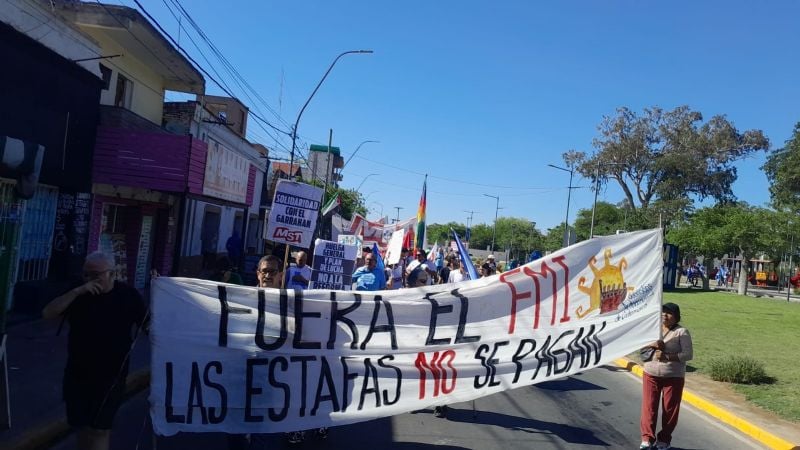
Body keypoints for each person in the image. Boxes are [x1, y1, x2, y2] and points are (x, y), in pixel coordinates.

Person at [42, 251, 147, 450]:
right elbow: (47, 313)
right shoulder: (78, 293)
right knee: (81, 427)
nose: (90, 279)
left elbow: (148, 325)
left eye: (96, 275)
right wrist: (77, 292)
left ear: (112, 274)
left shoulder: (128, 296)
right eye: (86, 274)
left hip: (111, 375)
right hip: (77, 372)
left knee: (100, 429)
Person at [639, 302, 694, 450]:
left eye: (669, 313)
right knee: (649, 407)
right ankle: (647, 439)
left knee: (670, 410)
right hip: (650, 373)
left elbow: (688, 355)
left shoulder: (682, 332)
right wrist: (654, 344)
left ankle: (664, 440)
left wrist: (668, 356)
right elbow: (641, 344)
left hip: (673, 376)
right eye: (663, 312)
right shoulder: (653, 328)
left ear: (676, 317)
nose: (665, 315)